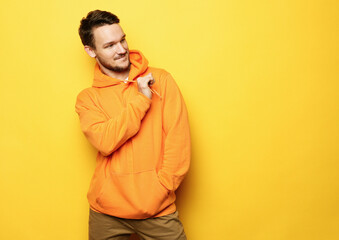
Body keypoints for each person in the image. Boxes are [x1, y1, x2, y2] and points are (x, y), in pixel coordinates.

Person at [75, 10, 191, 240]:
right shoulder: (88, 99)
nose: (121, 50)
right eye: (109, 46)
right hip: (106, 213)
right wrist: (142, 99)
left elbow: (178, 141)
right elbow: (105, 142)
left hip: (158, 210)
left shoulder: (161, 80)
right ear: (91, 51)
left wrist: (162, 188)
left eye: (122, 40)